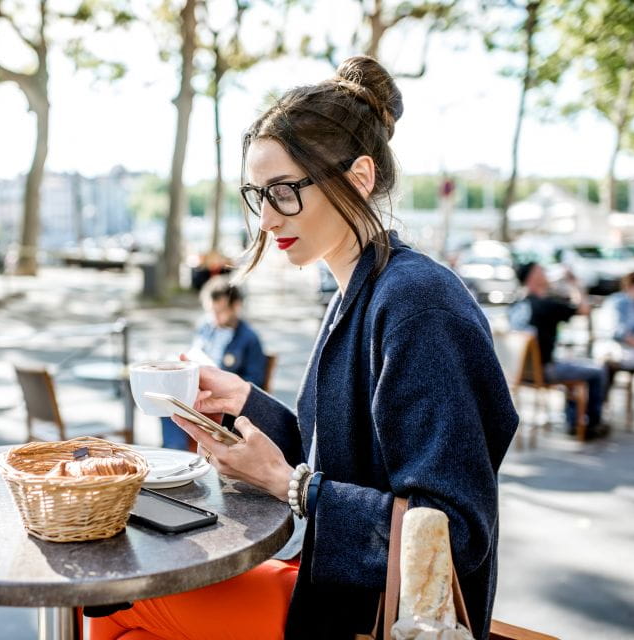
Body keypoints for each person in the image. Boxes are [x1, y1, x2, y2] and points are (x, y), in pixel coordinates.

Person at [90, 56, 517, 640]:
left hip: (374, 617)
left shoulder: (417, 303)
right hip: (333, 588)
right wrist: (244, 401)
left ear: (358, 179)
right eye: (257, 195)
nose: (266, 219)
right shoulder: (363, 290)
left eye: (284, 192)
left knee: (118, 603)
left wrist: (287, 484)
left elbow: (453, 534)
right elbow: (342, 460)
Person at [160, 276, 267, 450]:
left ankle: (176, 452)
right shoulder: (206, 327)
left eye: (220, 311)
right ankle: (174, 451)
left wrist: (223, 382)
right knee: (168, 401)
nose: (215, 317)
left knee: (176, 406)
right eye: (211, 311)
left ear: (236, 306)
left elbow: (255, 382)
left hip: (223, 403)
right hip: (200, 391)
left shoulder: (249, 338)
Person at [509, 262, 608, 438]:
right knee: (597, 371)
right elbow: (584, 309)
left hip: (518, 373)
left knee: (571, 366)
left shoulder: (516, 304)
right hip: (545, 370)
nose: (547, 274)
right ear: (534, 277)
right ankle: (590, 424)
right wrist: (574, 283)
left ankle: (574, 421)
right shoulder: (546, 305)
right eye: (542, 271)